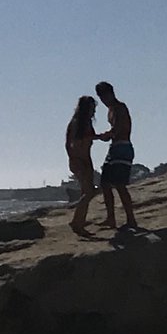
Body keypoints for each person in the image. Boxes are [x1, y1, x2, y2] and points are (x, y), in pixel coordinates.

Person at [94, 81, 139, 231]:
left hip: (123, 147)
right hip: (114, 148)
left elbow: (121, 128)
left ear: (111, 93)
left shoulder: (120, 108)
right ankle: (110, 218)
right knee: (105, 184)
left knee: (120, 185)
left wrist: (108, 135)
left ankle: (131, 219)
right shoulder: (111, 110)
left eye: (104, 96)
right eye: (101, 97)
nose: (103, 100)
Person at [65, 95, 98, 234]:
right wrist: (74, 159)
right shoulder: (77, 122)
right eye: (92, 108)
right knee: (88, 192)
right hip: (79, 160)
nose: (94, 112)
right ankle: (76, 222)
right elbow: (70, 143)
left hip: (86, 159)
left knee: (87, 191)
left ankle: (80, 221)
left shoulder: (85, 122)